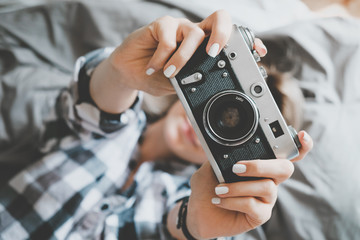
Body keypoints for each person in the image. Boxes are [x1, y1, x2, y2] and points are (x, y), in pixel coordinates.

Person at [0, 2, 315, 240]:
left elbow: (172, 225)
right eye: (227, 96)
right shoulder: (119, 124)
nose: (221, 117)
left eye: (241, 124)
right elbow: (94, 112)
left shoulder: (192, 198)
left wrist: (194, 228)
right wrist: (119, 74)